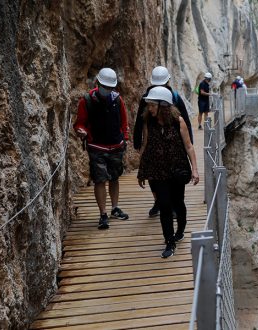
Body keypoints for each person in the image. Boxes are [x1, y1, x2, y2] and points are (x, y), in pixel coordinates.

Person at [137, 87, 199, 258]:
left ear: (162, 105)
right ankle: (169, 242)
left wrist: (194, 169)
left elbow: (189, 146)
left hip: (177, 169)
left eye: (151, 105)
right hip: (158, 171)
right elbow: (145, 145)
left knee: (178, 203)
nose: (149, 108)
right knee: (164, 205)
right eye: (148, 105)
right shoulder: (148, 122)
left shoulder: (178, 121)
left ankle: (181, 228)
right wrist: (141, 171)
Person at [133, 66, 194, 217]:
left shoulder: (166, 96)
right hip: (156, 141)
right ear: (168, 80)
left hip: (170, 142)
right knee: (156, 175)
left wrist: (137, 140)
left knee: (160, 175)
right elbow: (185, 119)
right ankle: (161, 202)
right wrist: (189, 140)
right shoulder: (167, 96)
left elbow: (139, 121)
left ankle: (164, 203)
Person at [73, 67, 130, 229]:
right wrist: (81, 131)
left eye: (110, 87)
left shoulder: (118, 100)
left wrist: (124, 138)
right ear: (98, 83)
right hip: (96, 146)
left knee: (114, 178)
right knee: (100, 179)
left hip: (116, 146)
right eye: (105, 86)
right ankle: (103, 213)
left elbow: (124, 122)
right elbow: (80, 123)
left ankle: (114, 208)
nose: (107, 90)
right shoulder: (87, 100)